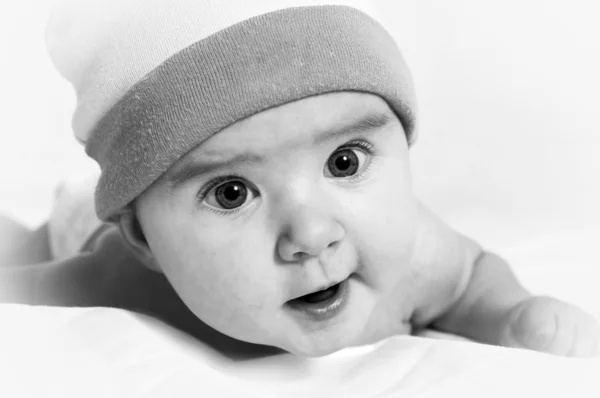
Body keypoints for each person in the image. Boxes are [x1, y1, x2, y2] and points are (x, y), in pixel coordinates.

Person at [3, 0, 599, 358]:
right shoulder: (120, 284)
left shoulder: (417, 253)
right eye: (231, 193)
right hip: (80, 221)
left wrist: (508, 312)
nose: (312, 234)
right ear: (145, 239)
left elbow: (470, 278)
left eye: (345, 162)